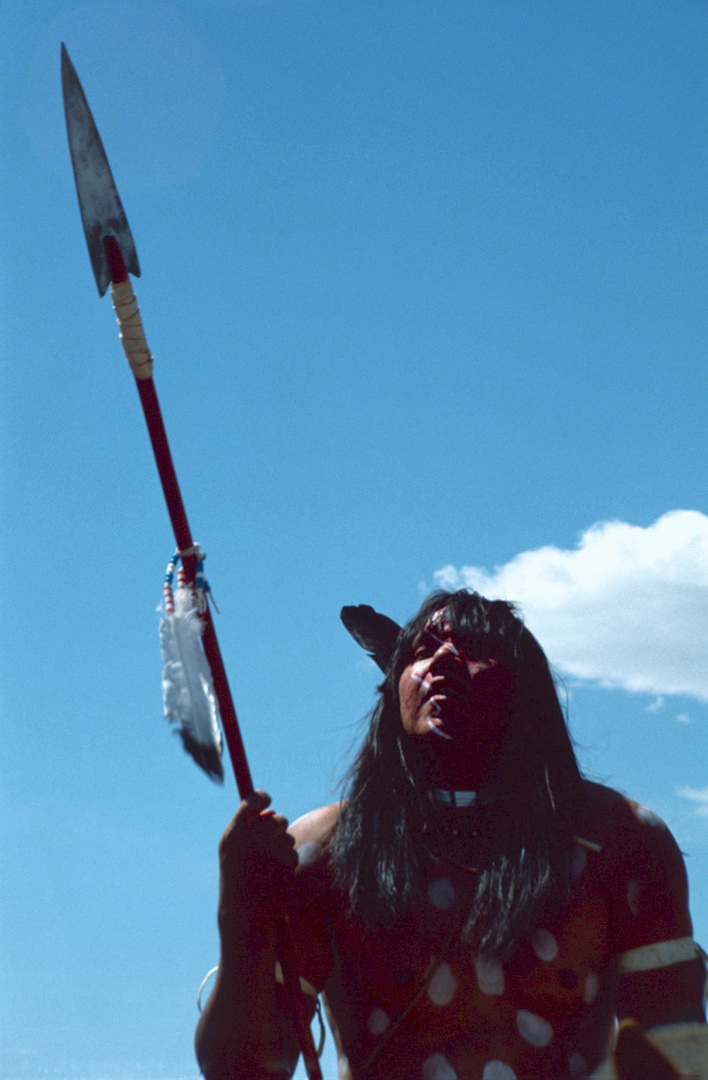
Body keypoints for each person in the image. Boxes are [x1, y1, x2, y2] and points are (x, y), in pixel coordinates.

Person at [195, 590, 707, 1080]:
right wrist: (240, 919)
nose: (442, 661)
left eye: (475, 650)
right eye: (422, 650)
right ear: (394, 685)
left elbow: (676, 1048)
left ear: (522, 687)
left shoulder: (619, 841)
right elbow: (240, 1069)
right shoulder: (330, 850)